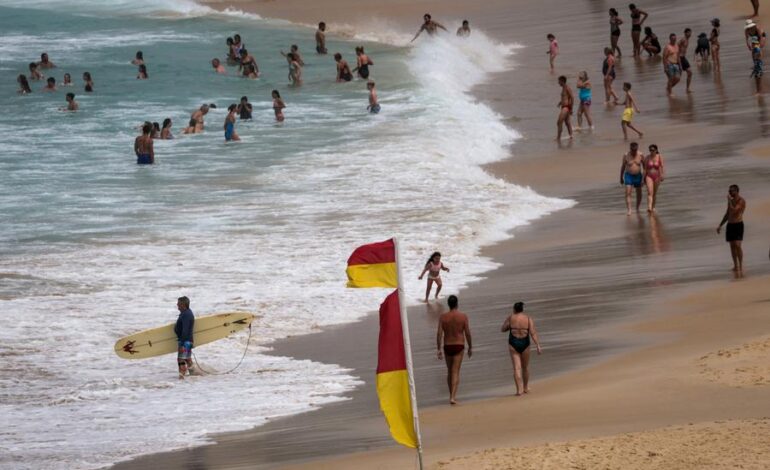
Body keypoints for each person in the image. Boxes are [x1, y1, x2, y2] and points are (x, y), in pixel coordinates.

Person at [500, 302, 541, 396]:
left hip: (513, 343)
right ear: (522, 309)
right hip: (525, 343)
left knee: (516, 368)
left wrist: (510, 327)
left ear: (514, 309)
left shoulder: (510, 318)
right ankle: (525, 388)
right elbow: (533, 333)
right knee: (525, 367)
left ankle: (519, 390)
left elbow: (502, 329)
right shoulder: (528, 318)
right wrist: (538, 345)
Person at [436, 295, 472, 405]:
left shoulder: (443, 317)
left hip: (447, 346)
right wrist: (470, 347)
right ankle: (453, 397)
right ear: (457, 304)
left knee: (450, 371)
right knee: (455, 371)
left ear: (448, 304)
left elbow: (439, 334)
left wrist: (438, 348)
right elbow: (467, 333)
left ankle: (451, 394)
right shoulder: (463, 316)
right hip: (459, 345)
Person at [716, 185, 747, 274]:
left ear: (737, 191)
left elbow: (734, 211)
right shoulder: (731, 201)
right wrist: (720, 225)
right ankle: (735, 266)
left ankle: (741, 265)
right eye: (729, 191)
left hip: (738, 225)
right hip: (730, 225)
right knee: (732, 246)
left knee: (737, 245)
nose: (730, 192)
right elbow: (728, 214)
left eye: (732, 191)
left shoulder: (741, 201)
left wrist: (729, 201)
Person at [620, 141, 645, 214]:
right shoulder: (626, 155)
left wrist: (643, 178)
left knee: (639, 193)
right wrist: (621, 177)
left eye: (635, 150)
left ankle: (637, 208)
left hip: (638, 175)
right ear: (630, 149)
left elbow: (645, 167)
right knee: (628, 192)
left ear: (637, 149)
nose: (634, 151)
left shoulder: (640, 155)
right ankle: (629, 210)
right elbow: (623, 167)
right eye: (632, 150)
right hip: (628, 175)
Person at [174, 296, 195, 379]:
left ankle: (181, 379)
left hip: (185, 342)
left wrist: (182, 345)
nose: (177, 304)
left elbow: (185, 331)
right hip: (187, 341)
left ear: (183, 305)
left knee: (181, 360)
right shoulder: (186, 313)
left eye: (178, 303)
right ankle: (195, 377)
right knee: (187, 359)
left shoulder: (186, 314)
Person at [644, 144, 665, 213]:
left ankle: (653, 207)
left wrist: (662, 175)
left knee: (654, 193)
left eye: (652, 150)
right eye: (650, 150)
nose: (651, 152)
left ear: (656, 150)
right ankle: (649, 207)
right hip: (649, 176)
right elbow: (645, 169)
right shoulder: (647, 157)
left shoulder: (659, 157)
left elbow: (661, 166)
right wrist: (643, 178)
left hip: (657, 176)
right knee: (650, 192)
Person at [556, 75, 574, 141]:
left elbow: (572, 97)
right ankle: (571, 136)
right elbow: (565, 97)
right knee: (567, 122)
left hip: (566, 107)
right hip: (564, 106)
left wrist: (571, 108)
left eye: (559, 81)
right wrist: (560, 102)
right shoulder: (563, 88)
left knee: (559, 122)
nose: (558, 82)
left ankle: (558, 138)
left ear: (562, 81)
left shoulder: (567, 88)